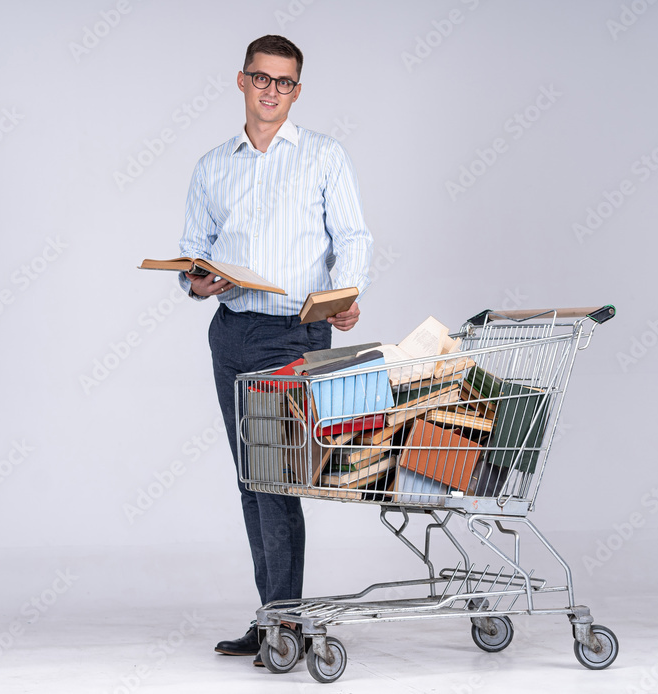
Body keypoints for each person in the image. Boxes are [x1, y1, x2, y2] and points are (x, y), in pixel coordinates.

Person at [176, 34, 374, 666]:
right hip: (232, 333)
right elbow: (194, 251)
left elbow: (353, 235)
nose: (271, 91)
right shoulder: (213, 165)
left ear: (297, 89)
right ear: (241, 81)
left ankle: (283, 621)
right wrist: (197, 280)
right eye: (261, 79)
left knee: (277, 481)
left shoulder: (323, 156)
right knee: (248, 478)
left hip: (295, 332)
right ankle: (271, 617)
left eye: (284, 82)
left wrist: (346, 294)